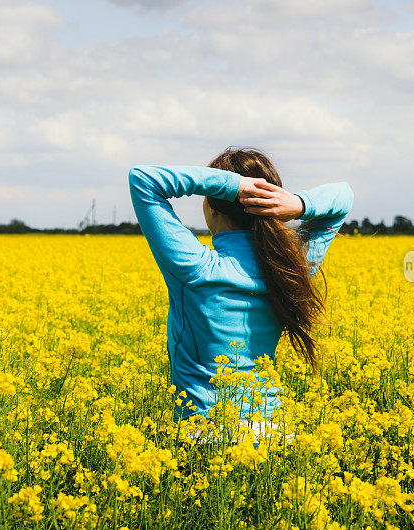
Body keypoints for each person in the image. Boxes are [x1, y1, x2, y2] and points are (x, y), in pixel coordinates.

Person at [128, 147, 354, 446]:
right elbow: (344, 196)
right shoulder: (291, 268)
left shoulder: (197, 269)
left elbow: (144, 179)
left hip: (206, 437)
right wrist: (299, 204)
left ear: (211, 206)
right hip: (275, 434)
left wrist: (238, 187)